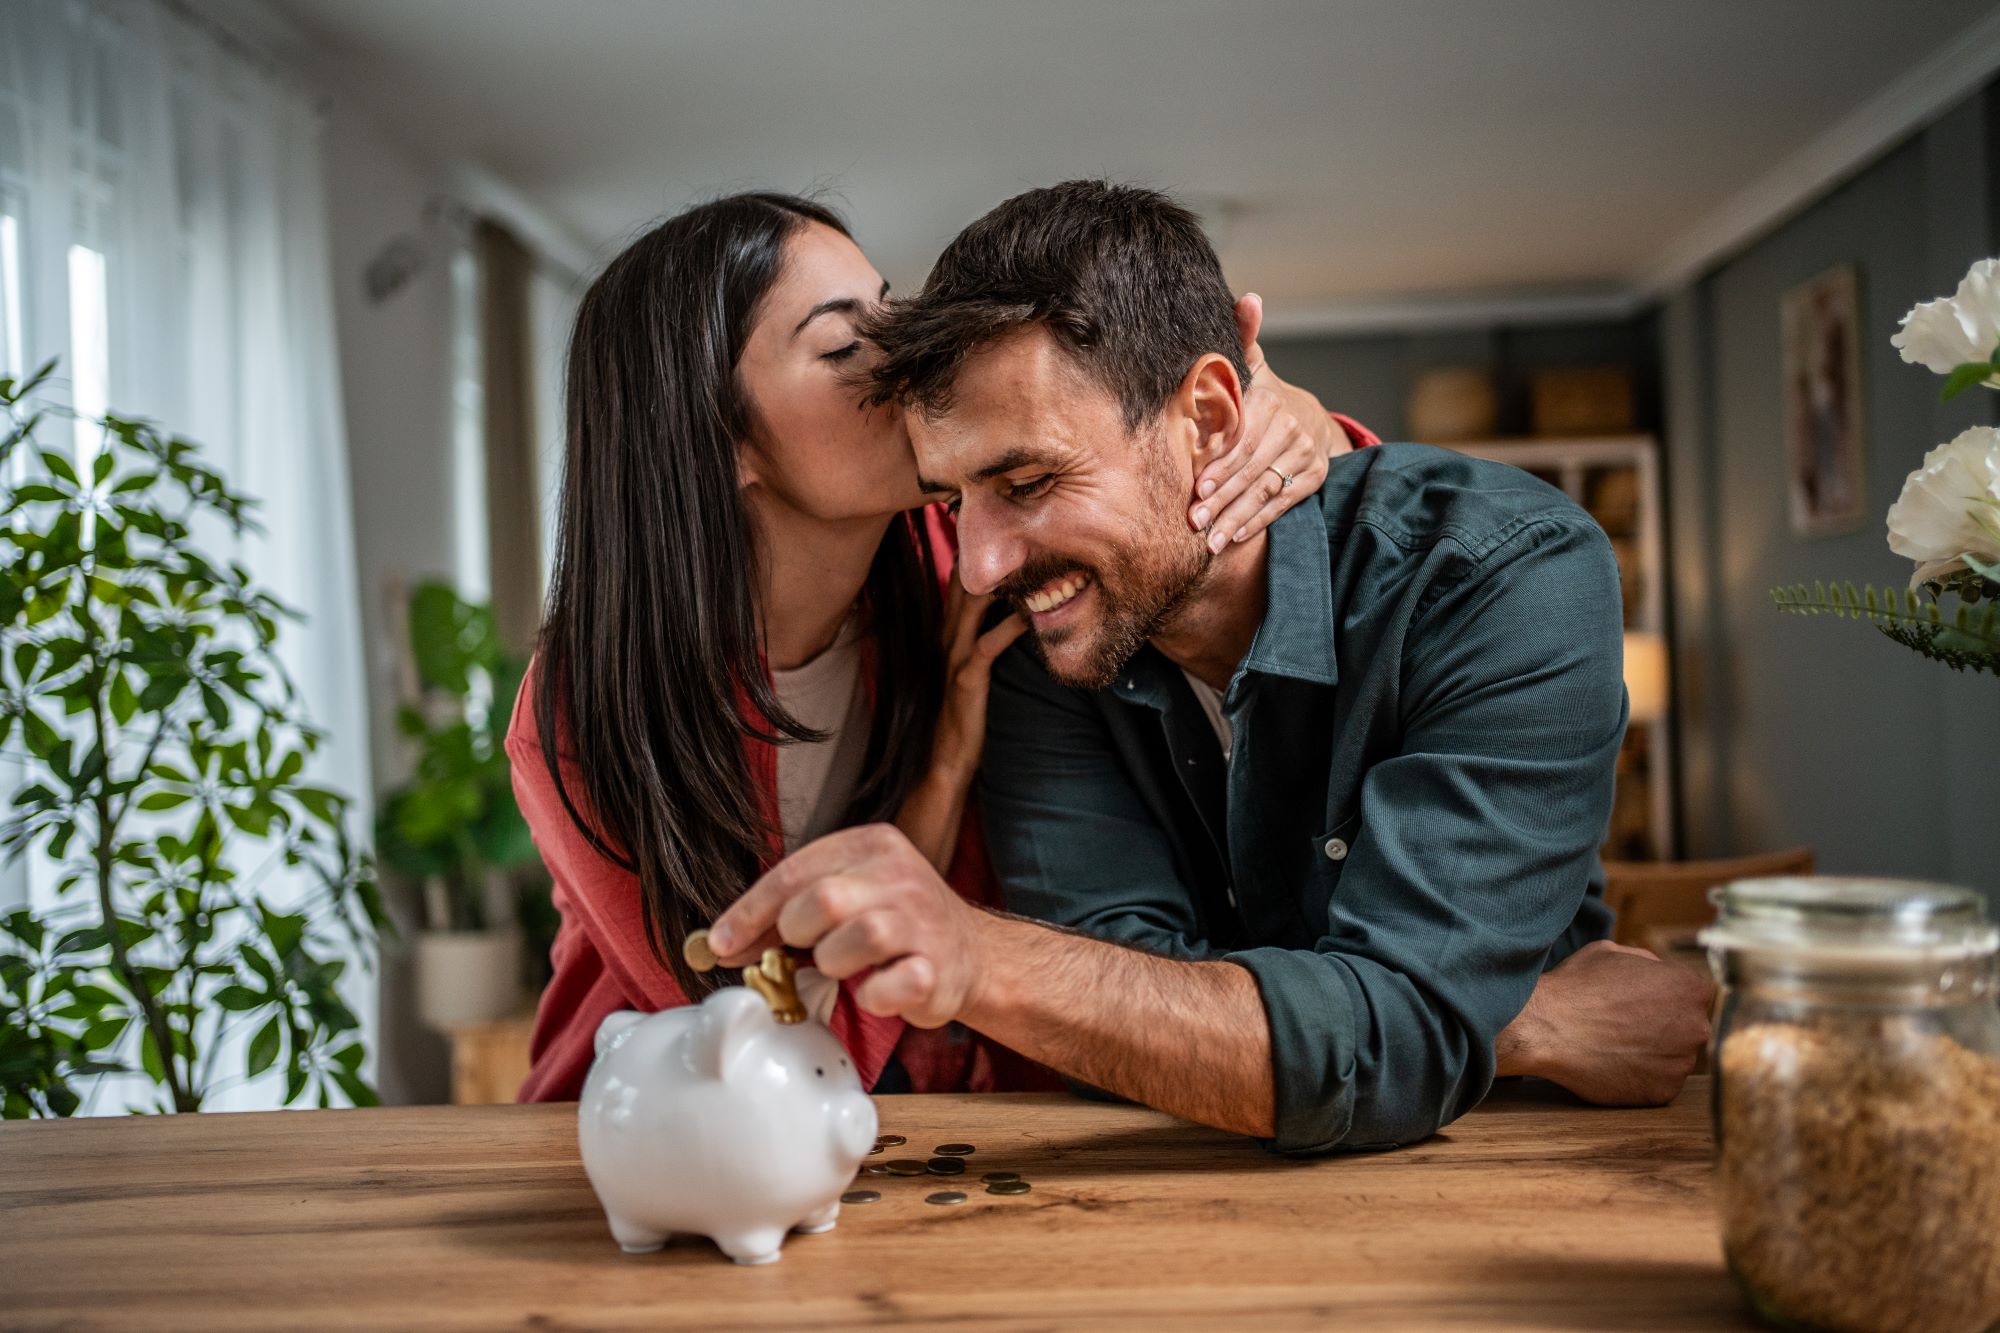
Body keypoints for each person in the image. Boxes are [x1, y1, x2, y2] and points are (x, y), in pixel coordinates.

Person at [707, 181, 1714, 1154]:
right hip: (1171, 1191)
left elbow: (1141, 1013)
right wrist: (1495, 1024)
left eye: (1028, 481)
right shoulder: (1041, 637)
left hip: (1507, 1170)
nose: (980, 565)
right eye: (951, 498)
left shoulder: (1502, 575)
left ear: (1213, 418)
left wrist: (984, 957)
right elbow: (1110, 1041)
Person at [507, 191, 1359, 1101]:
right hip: (654, 1135)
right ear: (716, 442)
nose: (913, 357)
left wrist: (1298, 424)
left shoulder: (971, 554)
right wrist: (942, 780)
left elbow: (1266, 537)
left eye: (895, 313)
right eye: (845, 346)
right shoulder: (591, 714)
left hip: (969, 1124)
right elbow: (766, 1057)